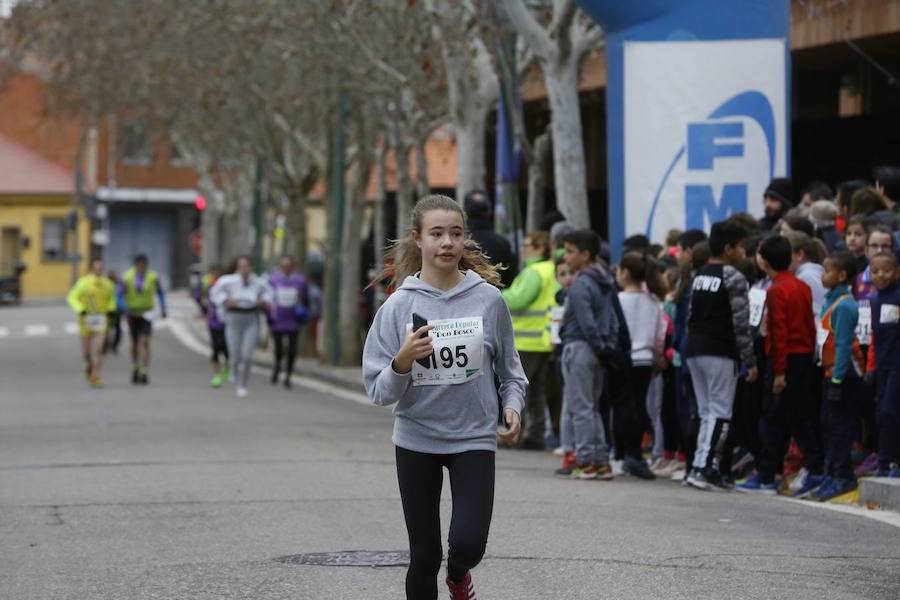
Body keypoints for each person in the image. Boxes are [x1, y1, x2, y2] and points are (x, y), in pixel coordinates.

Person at [361, 194, 526, 600]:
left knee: (468, 545)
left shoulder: (489, 300)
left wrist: (512, 408)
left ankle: (458, 574)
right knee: (423, 555)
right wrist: (401, 363)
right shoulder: (399, 305)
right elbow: (377, 389)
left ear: (465, 239)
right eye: (437, 234)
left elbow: (511, 372)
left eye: (455, 233)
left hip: (473, 438)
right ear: (418, 239)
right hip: (417, 438)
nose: (447, 243)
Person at [738, 236, 822, 496]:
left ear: (763, 260)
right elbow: (809, 324)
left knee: (772, 418)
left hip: (783, 359)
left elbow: (779, 333)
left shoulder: (775, 291)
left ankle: (767, 476)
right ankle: (814, 467)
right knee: (798, 415)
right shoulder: (800, 286)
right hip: (803, 356)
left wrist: (779, 372)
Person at [684, 220, 757, 491]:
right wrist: (749, 360)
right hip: (720, 350)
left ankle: (697, 465)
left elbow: (691, 314)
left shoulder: (700, 274)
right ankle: (706, 469)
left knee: (706, 411)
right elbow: (741, 323)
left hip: (694, 348)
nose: (743, 252)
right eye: (739, 246)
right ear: (728, 249)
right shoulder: (733, 277)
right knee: (720, 411)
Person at [557, 229, 621, 480]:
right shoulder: (605, 279)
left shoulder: (582, 282)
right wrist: (607, 347)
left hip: (580, 347)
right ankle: (601, 460)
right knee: (591, 407)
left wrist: (596, 343)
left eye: (571, 251)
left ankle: (586, 461)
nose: (566, 256)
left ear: (586, 254)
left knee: (580, 407)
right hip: (597, 350)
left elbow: (585, 321)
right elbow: (613, 318)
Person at [813, 251, 865, 500]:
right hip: (829, 372)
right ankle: (832, 471)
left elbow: (844, 346)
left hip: (842, 377)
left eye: (827, 271)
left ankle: (843, 475)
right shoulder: (829, 302)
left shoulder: (844, 305)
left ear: (842, 275)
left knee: (840, 427)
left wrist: (836, 380)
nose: (822, 276)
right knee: (828, 425)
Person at [614, 251, 668, 480]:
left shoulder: (617, 300)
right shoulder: (654, 301)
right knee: (640, 405)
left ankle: (623, 454)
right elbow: (659, 335)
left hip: (623, 360)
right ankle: (637, 453)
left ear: (625, 273)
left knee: (622, 408)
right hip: (646, 360)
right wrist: (658, 357)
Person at [501, 231, 557, 450]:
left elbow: (518, 300)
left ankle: (514, 431)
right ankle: (536, 433)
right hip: (542, 338)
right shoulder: (550, 269)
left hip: (527, 340)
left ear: (540, 248)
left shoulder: (534, 272)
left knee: (518, 388)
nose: (523, 249)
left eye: (528, 245)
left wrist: (496, 293)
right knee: (538, 391)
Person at [210, 256, 273, 398]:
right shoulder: (228, 281)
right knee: (235, 354)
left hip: (251, 319)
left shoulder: (259, 282)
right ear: (237, 268)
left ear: (251, 267)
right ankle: (233, 369)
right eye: (242, 266)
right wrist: (226, 300)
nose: (245, 269)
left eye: (247, 266)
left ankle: (243, 385)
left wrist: (262, 301)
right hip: (233, 320)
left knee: (247, 355)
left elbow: (270, 293)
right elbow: (214, 292)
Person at [865, 251, 900, 478]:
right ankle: (883, 460)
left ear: (897, 272)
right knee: (880, 412)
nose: (881, 275)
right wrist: (872, 365)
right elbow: (874, 336)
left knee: (890, 411)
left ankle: (892, 460)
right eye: (875, 271)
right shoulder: (874, 299)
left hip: (897, 364)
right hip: (882, 364)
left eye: (886, 270)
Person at [118, 254, 167, 385]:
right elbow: (120, 295)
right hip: (132, 313)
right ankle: (135, 366)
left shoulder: (153, 276)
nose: (142, 267)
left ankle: (144, 370)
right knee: (134, 343)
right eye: (139, 265)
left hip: (147, 312)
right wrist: (123, 308)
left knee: (145, 342)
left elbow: (161, 292)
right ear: (135, 265)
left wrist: (163, 308)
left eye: (144, 265)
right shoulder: (126, 277)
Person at [67, 259, 116, 388]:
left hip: (101, 319)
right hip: (86, 319)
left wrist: (111, 309)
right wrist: (80, 309)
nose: (99, 271)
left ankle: (96, 376)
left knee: (99, 349)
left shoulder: (108, 284)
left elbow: (112, 298)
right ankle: (89, 366)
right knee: (86, 353)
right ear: (91, 269)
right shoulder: (83, 283)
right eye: (97, 268)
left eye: (101, 268)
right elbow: (72, 297)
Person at [463, 189, 517, 288]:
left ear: (465, 211)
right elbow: (511, 278)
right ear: (489, 211)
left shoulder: (461, 242)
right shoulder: (502, 243)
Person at [268, 256, 308, 389]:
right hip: (278, 320)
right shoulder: (273, 279)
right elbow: (268, 297)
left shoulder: (300, 281)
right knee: (279, 348)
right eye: (283, 266)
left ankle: (288, 376)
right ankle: (277, 368)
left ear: (293, 267)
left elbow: (305, 299)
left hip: (293, 321)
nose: (286, 269)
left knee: (291, 350)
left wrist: (303, 314)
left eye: (288, 266)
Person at [204, 264, 229, 388]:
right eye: (213, 273)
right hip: (213, 321)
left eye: (217, 272)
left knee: (225, 347)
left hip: (227, 322)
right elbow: (207, 302)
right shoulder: (210, 285)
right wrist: (207, 315)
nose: (215, 275)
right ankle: (216, 376)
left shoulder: (227, 285)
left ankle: (228, 366)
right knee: (215, 348)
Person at [104, 269, 122, 355]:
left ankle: (114, 346)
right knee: (106, 329)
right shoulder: (105, 285)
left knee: (117, 329)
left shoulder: (119, 286)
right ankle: (106, 345)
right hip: (107, 311)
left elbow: (122, 298)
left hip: (117, 311)